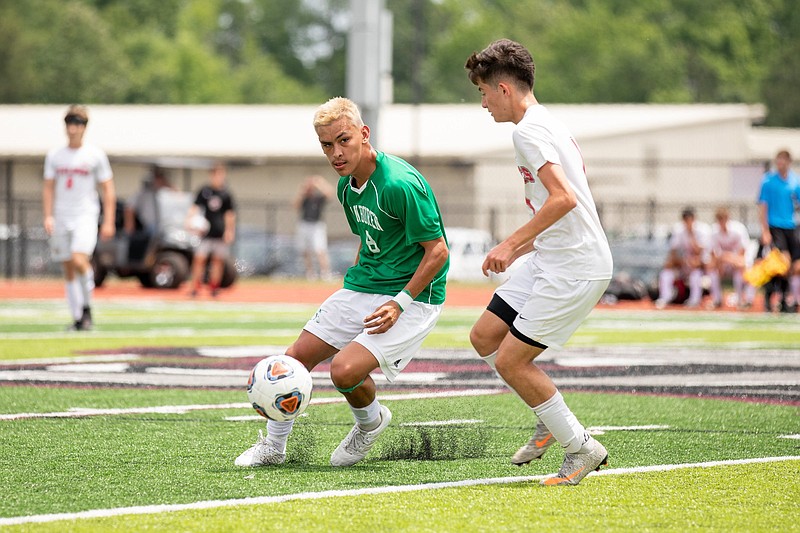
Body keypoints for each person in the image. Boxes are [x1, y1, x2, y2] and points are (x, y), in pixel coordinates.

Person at [235, 97, 449, 468]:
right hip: (364, 286)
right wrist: (350, 292)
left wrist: (399, 302)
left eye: (343, 140)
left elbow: (439, 252)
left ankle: (370, 423)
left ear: (364, 135)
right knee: (291, 361)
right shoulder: (347, 187)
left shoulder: (399, 184)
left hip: (414, 296)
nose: (335, 152)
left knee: (345, 370)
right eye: (327, 145)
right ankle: (274, 448)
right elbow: (369, 241)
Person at [464, 39, 613, 486]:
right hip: (553, 258)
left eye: (483, 92)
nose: (484, 102)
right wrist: (526, 247)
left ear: (504, 88)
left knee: (513, 362)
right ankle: (547, 412)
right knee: (484, 336)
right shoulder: (545, 122)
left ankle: (581, 449)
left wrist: (510, 245)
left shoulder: (527, 130)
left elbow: (564, 199)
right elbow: (566, 203)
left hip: (574, 267)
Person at [42, 104, 116, 331]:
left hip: (85, 215)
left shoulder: (95, 155)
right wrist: (48, 215)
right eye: (70, 123)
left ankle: (87, 309)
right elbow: (48, 187)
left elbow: (108, 188)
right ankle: (77, 318)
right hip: (62, 216)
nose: (73, 128)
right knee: (67, 266)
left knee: (78, 259)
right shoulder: (55, 155)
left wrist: (109, 220)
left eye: (77, 123)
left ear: (84, 127)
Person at [757, 150, 800, 313]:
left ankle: (782, 296)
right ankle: (774, 296)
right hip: (775, 226)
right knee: (782, 261)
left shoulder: (795, 180)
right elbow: (763, 206)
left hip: (791, 227)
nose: (780, 163)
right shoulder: (768, 181)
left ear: (789, 161)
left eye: (783, 160)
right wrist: (765, 230)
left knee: (794, 266)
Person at [186, 161, 236, 298]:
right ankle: (195, 288)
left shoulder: (226, 194)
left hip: (219, 233)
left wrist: (229, 231)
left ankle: (214, 288)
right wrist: (189, 220)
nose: (218, 177)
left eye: (220, 174)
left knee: (217, 261)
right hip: (205, 233)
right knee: (199, 259)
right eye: (215, 174)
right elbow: (195, 207)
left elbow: (229, 214)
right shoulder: (205, 191)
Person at [654, 207, 711, 309]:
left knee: (695, 275)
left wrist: (691, 234)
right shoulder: (679, 230)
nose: (688, 223)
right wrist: (675, 262)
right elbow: (673, 251)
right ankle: (665, 297)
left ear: (694, 219)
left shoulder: (703, 230)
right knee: (666, 273)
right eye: (686, 220)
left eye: (690, 220)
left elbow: (700, 252)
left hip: (700, 265)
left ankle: (694, 300)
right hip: (684, 264)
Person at [706, 207, 755, 309]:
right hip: (725, 262)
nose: (721, 222)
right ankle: (717, 300)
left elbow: (743, 253)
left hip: (739, 260)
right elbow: (712, 254)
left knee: (742, 273)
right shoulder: (714, 232)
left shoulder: (738, 229)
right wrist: (719, 264)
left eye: (723, 219)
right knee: (712, 271)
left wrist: (728, 258)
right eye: (719, 219)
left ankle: (743, 300)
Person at [124, 166, 173, 263]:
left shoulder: (158, 193)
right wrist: (129, 225)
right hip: (148, 226)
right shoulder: (141, 194)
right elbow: (129, 208)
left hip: (161, 225)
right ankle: (148, 262)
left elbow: (175, 191)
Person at [294, 174, 334, 279]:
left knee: (320, 249)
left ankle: (325, 273)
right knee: (305, 250)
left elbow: (329, 193)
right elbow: (295, 205)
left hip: (317, 225)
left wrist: (319, 183)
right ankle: (310, 273)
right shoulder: (305, 199)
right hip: (304, 224)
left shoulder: (318, 198)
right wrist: (303, 189)